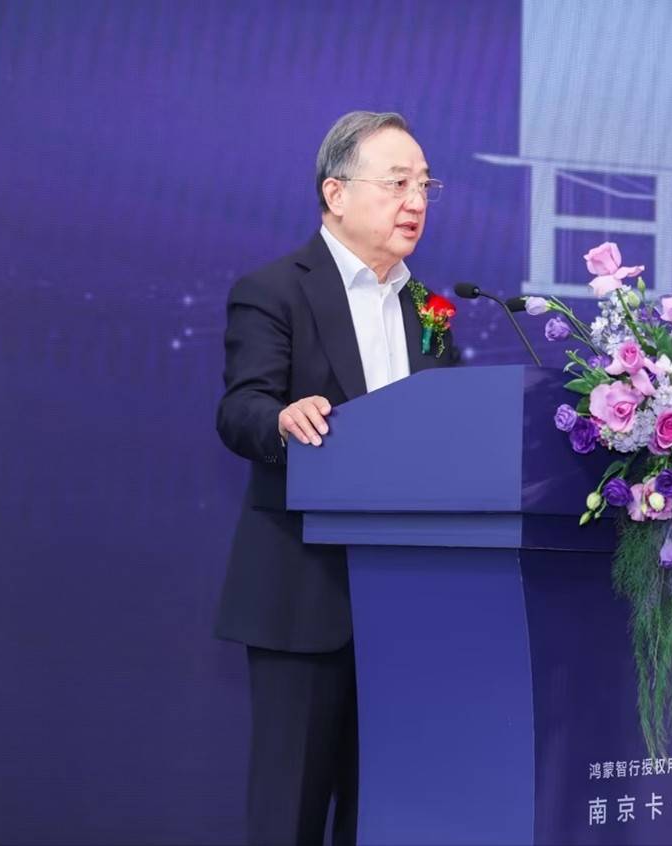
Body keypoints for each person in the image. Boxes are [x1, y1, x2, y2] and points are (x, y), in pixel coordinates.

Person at [214, 111, 460, 845]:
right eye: (396, 183)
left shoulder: (430, 309)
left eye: (424, 186)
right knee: (287, 816)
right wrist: (282, 419)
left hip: (406, 603)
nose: (414, 201)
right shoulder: (273, 290)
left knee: (384, 816)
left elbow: (450, 430)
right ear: (336, 193)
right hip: (303, 595)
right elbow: (240, 409)